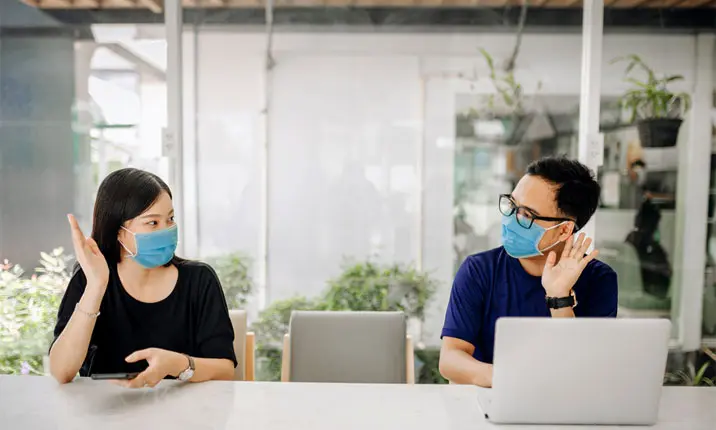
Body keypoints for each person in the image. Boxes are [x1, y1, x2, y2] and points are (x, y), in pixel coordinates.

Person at [439, 157, 618, 387]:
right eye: (512, 205)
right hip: (490, 398)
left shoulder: (599, 280)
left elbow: (585, 370)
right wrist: (509, 379)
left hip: (564, 403)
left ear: (564, 230)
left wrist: (559, 297)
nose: (510, 219)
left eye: (526, 214)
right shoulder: (479, 270)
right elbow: (450, 359)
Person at [49, 168, 237, 387]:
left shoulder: (200, 280)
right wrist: (96, 286)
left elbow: (225, 370)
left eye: (170, 219)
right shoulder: (90, 278)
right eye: (153, 222)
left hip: (184, 407)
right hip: (106, 407)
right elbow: (61, 372)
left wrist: (178, 364)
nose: (167, 230)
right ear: (118, 231)